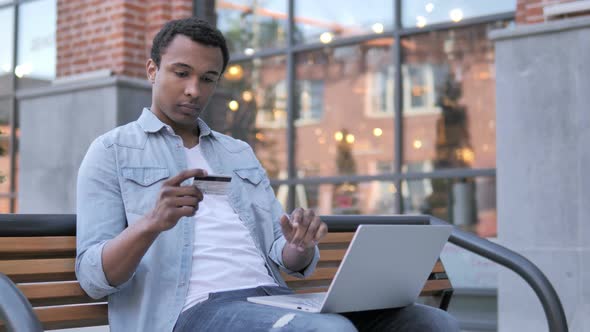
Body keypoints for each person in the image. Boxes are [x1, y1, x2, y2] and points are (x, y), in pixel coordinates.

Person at [75, 17, 459, 332]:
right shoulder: (112, 151)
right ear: (152, 70)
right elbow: (93, 277)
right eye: (181, 73)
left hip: (269, 298)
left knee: (430, 322)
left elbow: (283, 253)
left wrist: (298, 245)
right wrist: (151, 224)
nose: (194, 89)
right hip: (188, 312)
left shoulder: (235, 152)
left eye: (208, 78)